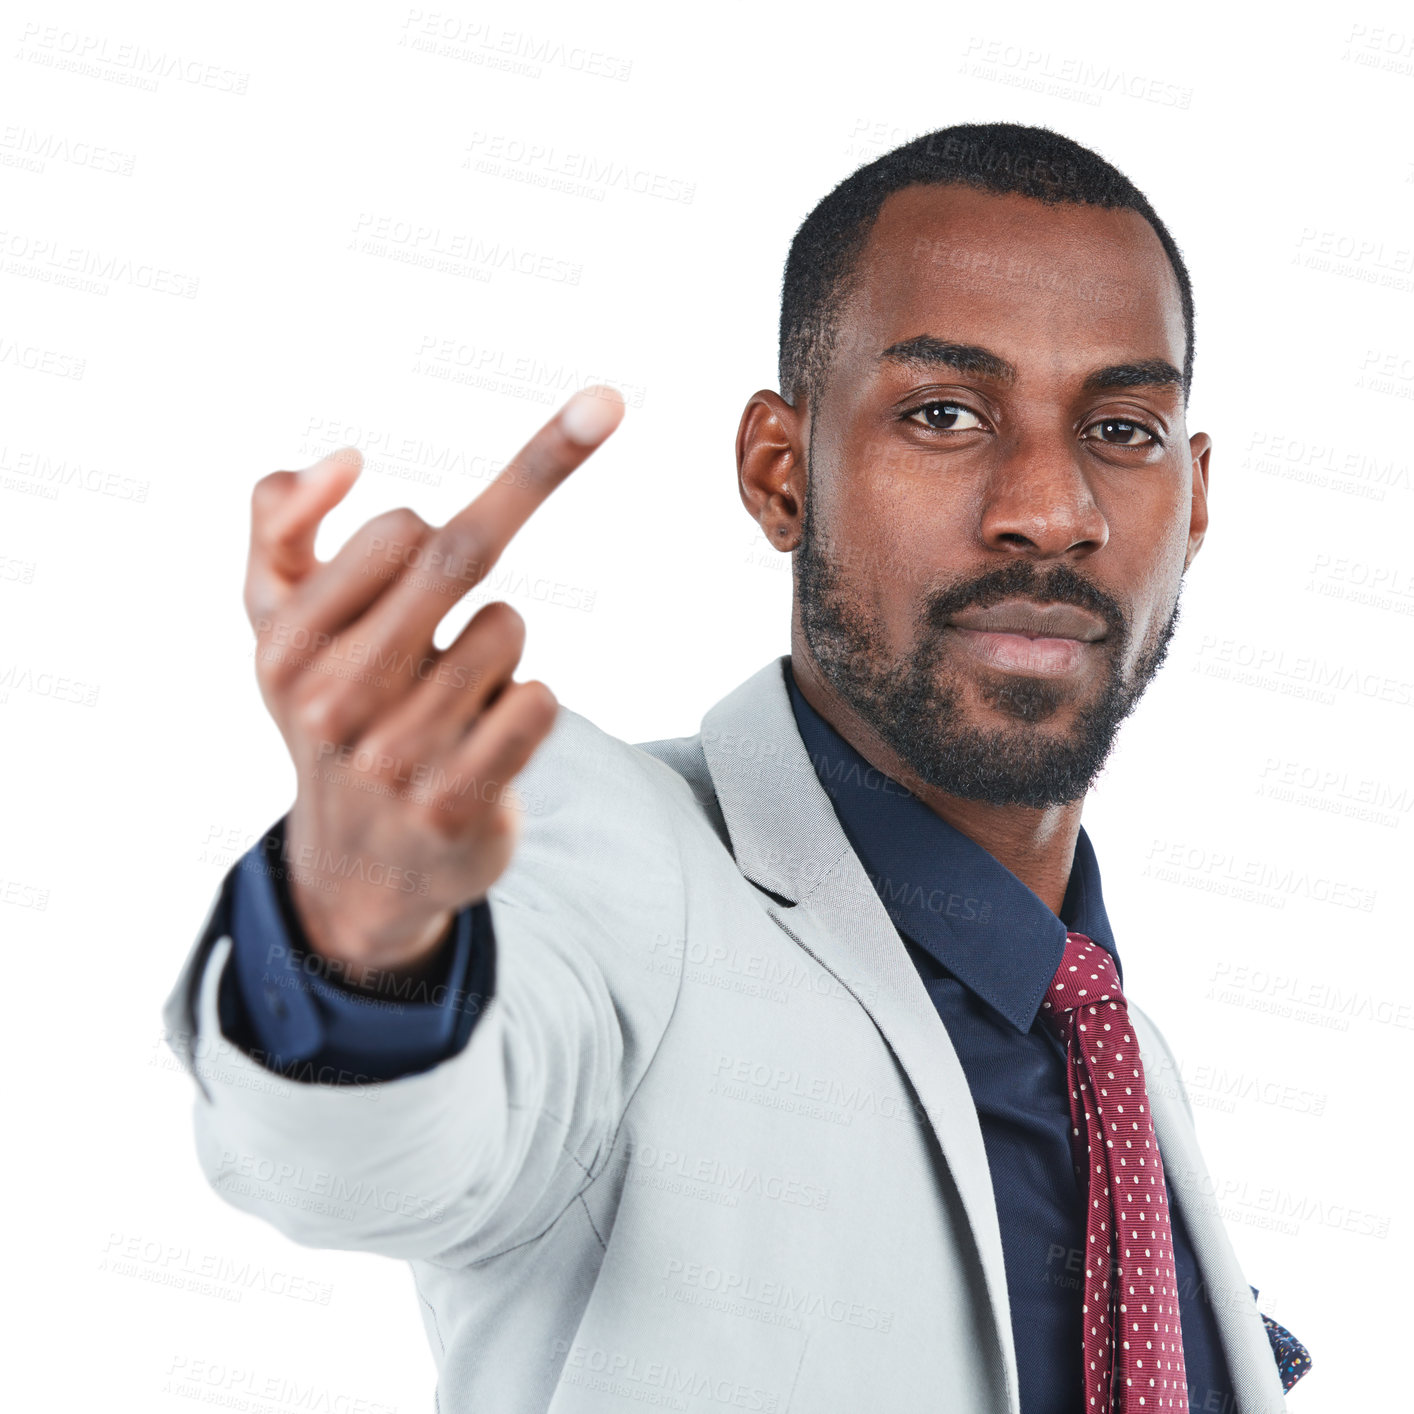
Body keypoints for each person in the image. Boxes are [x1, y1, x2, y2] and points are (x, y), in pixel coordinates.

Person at [164, 122, 1310, 1412]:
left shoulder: (1115, 1054)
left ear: (1196, 499)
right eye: (944, 414)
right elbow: (358, 1169)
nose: (1051, 506)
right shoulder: (608, 861)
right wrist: (357, 940)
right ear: (781, 474)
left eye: (1123, 427)